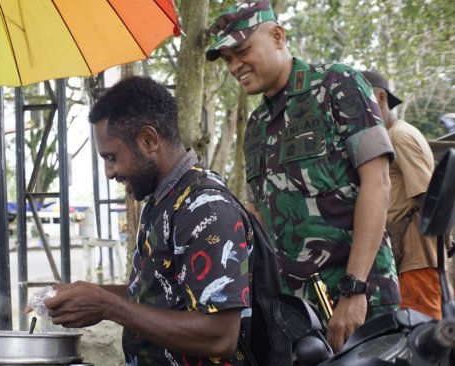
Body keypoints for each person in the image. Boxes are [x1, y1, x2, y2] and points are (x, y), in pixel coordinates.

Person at [206, 0, 400, 351]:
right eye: (227, 60)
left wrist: (355, 289)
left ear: (278, 36)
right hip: (297, 313)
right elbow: (262, 216)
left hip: (360, 299)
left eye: (242, 50)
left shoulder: (338, 84)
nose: (235, 66)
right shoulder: (256, 127)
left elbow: (378, 182)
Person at [44, 76, 252, 365]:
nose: (109, 172)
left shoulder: (206, 207)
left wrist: (108, 306)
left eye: (112, 157)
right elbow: (157, 294)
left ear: (149, 140)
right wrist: (90, 294)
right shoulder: (161, 201)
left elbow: (220, 336)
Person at [363, 70, 441, 320]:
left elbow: (430, 196)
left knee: (423, 332)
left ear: (381, 98)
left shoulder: (400, 136)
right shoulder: (393, 135)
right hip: (408, 257)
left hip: (416, 258)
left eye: (365, 101)